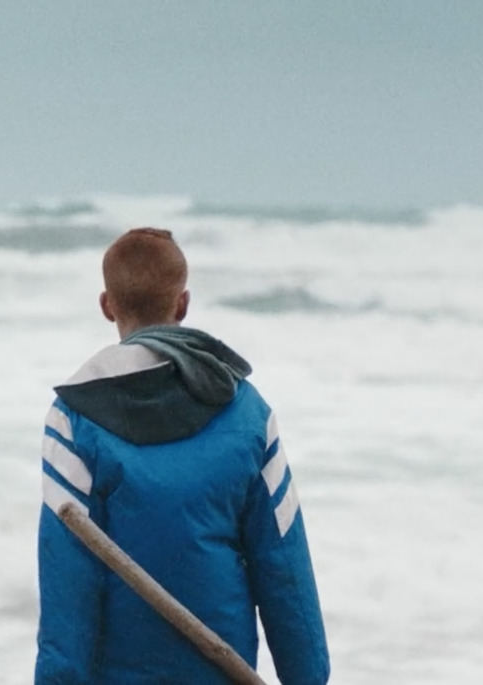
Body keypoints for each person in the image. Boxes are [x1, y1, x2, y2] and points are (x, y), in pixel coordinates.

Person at [35, 227, 328, 685]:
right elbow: (282, 564)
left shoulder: (74, 419)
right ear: (183, 303)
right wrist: (308, 677)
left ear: (107, 305)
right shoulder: (247, 410)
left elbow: (67, 580)